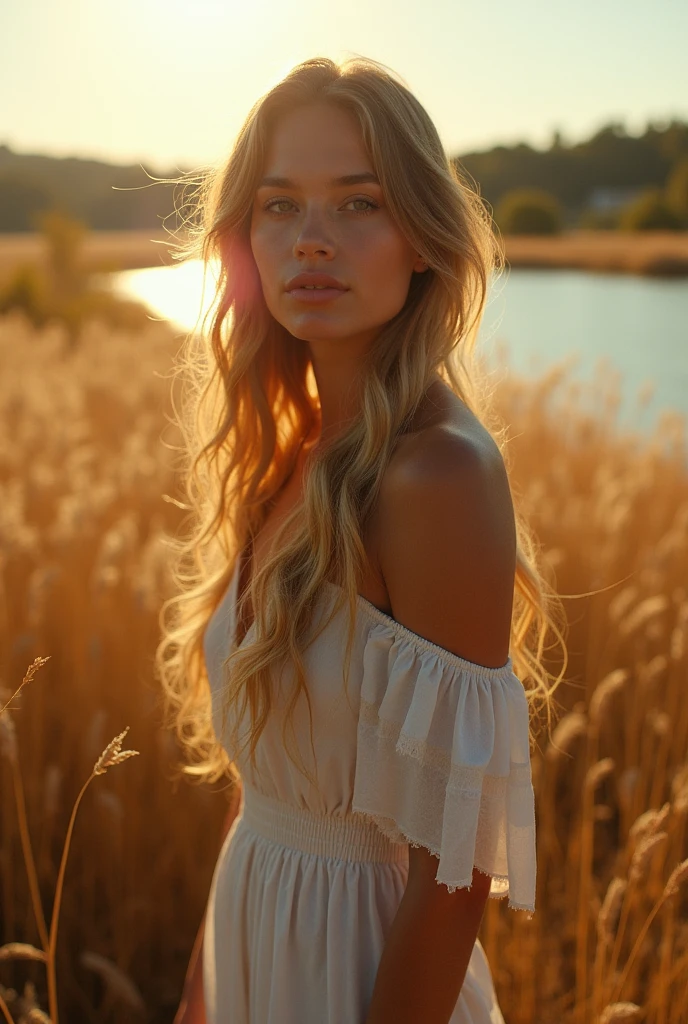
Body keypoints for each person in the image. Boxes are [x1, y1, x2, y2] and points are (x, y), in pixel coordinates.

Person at [157, 54, 566, 1024]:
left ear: (422, 237)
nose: (310, 242)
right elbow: (257, 784)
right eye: (278, 206)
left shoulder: (438, 475)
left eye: (357, 204)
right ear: (245, 237)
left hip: (364, 971)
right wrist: (197, 997)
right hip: (249, 935)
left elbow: (454, 873)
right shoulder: (286, 454)